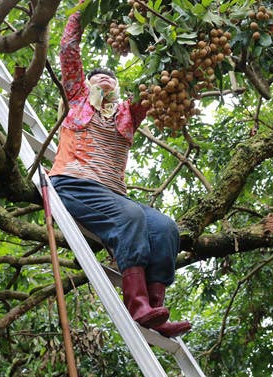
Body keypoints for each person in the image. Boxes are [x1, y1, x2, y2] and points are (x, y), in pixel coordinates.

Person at [48, 0, 191, 338]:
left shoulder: (127, 113)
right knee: (131, 216)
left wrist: (171, 37)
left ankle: (155, 304)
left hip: (112, 195)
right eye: (97, 78)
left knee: (166, 228)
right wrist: (81, 11)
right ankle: (137, 302)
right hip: (73, 184)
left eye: (109, 79)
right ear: (86, 83)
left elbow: (159, 83)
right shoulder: (79, 100)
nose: (104, 81)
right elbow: (69, 50)